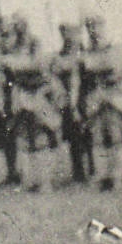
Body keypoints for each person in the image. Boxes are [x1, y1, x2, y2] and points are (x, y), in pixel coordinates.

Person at [0, 20, 64, 192]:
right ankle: (27, 181)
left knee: (41, 137)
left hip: (41, 93)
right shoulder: (11, 48)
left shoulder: (37, 45)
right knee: (23, 138)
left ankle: (44, 182)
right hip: (21, 94)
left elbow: (36, 64)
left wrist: (7, 60)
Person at [81, 15, 122, 191]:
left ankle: (117, 177)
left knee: (116, 135)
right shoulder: (88, 50)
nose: (93, 30)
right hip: (97, 96)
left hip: (116, 95)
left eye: (96, 26)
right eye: (89, 27)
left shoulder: (115, 45)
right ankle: (102, 176)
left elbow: (112, 66)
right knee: (97, 138)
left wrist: (91, 64)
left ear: (103, 27)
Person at [51, 22, 92, 184]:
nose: (68, 37)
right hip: (68, 98)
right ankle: (78, 170)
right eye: (65, 34)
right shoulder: (61, 55)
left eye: (71, 33)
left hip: (84, 96)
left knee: (87, 133)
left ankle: (93, 167)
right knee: (73, 135)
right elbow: (56, 73)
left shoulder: (84, 52)